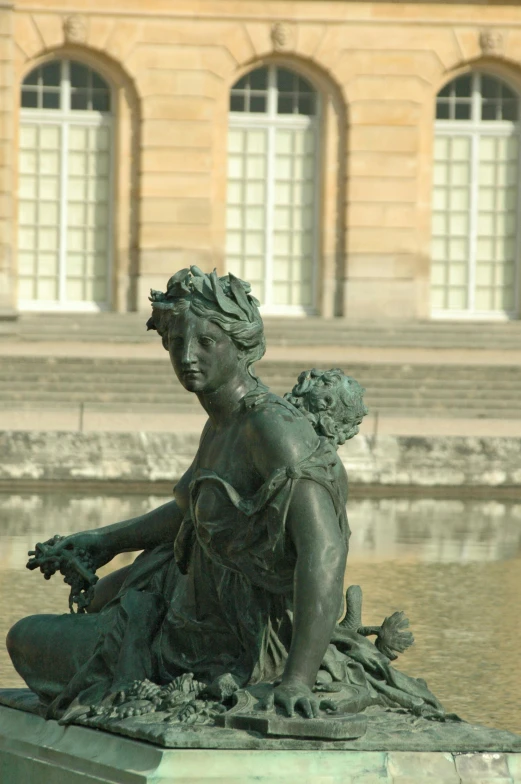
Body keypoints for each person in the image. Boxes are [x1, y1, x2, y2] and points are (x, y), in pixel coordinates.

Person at [7, 267, 366, 721]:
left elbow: (325, 550)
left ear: (241, 345)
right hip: (188, 617)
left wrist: (297, 678)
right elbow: (192, 510)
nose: (187, 356)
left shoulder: (272, 429)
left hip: (232, 646)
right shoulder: (224, 420)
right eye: (176, 343)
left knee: (27, 638)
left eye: (205, 342)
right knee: (90, 607)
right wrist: (105, 541)